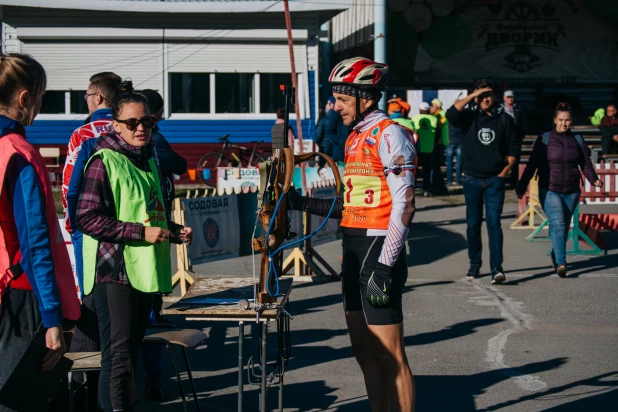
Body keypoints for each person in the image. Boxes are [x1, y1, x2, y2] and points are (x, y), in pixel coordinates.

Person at [288, 57, 417, 411]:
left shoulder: (389, 133)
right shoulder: (353, 137)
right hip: (354, 249)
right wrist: (301, 204)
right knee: (363, 349)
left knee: (391, 354)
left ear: (365, 97)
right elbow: (351, 204)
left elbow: (404, 206)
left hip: (379, 249)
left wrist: (387, 265)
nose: (335, 106)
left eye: (342, 99)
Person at [77, 81, 193, 412]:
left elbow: (147, 214)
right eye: (132, 123)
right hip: (114, 273)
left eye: (147, 122)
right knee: (118, 358)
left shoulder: (147, 159)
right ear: (116, 125)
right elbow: (86, 218)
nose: (141, 128)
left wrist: (173, 230)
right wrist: (141, 234)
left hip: (143, 273)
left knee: (130, 355)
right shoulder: (104, 160)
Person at [0, 53, 80, 408]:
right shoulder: (19, 153)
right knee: (28, 399)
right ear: (24, 97)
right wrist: (51, 320)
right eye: (42, 95)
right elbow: (35, 245)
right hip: (22, 296)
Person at [63, 73, 121, 366]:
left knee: (90, 292)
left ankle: (88, 367)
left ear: (97, 97)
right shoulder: (127, 129)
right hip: (123, 228)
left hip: (89, 227)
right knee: (117, 293)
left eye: (86, 96)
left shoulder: (82, 134)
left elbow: (68, 186)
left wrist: (72, 223)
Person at [446, 79, 519, 284]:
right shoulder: (469, 117)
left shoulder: (505, 119)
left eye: (489, 95)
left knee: (494, 224)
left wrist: (503, 172)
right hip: (471, 179)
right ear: (476, 98)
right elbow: (450, 114)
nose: (485, 99)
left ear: (494, 96)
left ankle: (497, 268)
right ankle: (474, 264)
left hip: (494, 180)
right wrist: (473, 94)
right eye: (481, 96)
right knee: (473, 225)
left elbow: (514, 149)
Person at [517, 103, 602, 277]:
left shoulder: (578, 139)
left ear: (572, 121)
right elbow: (533, 163)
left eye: (567, 120)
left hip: (571, 190)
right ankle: (562, 264)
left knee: (563, 228)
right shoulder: (544, 139)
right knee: (559, 224)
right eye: (561, 120)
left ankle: (557, 255)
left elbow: (585, 163)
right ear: (555, 120)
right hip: (550, 189)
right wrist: (521, 184)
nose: (564, 124)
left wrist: (594, 179)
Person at [502, 90, 528, 186]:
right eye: (508, 97)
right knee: (501, 158)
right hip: (503, 137)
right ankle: (500, 178)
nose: (510, 99)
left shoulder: (518, 109)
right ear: (504, 98)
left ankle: (514, 180)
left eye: (511, 97)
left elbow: (524, 123)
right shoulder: (499, 109)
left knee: (515, 158)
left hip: (515, 138)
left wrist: (521, 134)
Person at [412, 102, 437, 196]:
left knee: (414, 170)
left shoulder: (414, 118)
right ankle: (426, 189)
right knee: (427, 171)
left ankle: (413, 189)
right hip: (429, 148)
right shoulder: (434, 119)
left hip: (417, 148)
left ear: (419, 109)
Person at [430, 98, 448, 195]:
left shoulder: (440, 115)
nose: (430, 108)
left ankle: (439, 188)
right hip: (440, 143)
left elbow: (437, 131)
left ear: (436, 106)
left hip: (439, 143)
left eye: (432, 106)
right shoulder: (439, 114)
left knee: (436, 166)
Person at [445, 99, 464, 186]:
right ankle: (458, 180)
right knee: (459, 163)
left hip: (450, 140)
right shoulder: (463, 115)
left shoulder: (449, 115)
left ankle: (449, 181)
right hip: (460, 141)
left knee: (449, 163)